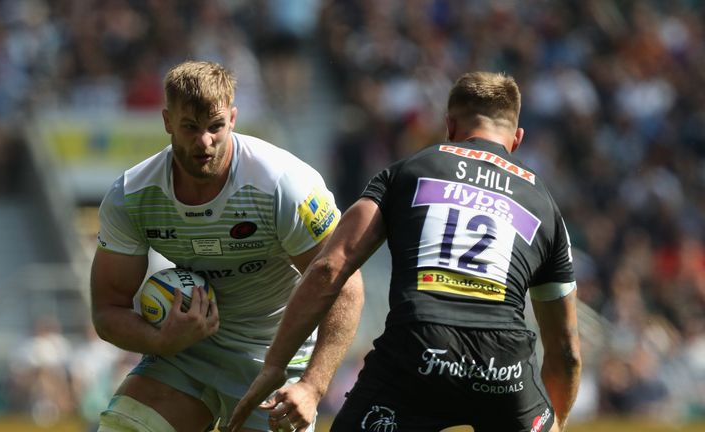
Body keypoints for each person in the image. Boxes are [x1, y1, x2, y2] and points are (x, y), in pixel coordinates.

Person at [229, 71, 581, 432]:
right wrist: (555, 422)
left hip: (418, 349)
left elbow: (329, 268)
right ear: (517, 138)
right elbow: (565, 350)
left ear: (449, 125)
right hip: (502, 363)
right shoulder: (544, 206)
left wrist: (281, 369)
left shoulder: (409, 171)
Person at [90, 60, 364, 432]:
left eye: (215, 127)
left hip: (274, 362)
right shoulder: (132, 196)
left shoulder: (282, 185)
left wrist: (313, 386)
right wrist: (160, 339)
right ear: (167, 121)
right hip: (186, 355)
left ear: (232, 119)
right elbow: (108, 310)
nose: (205, 142)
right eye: (190, 127)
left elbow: (344, 283)